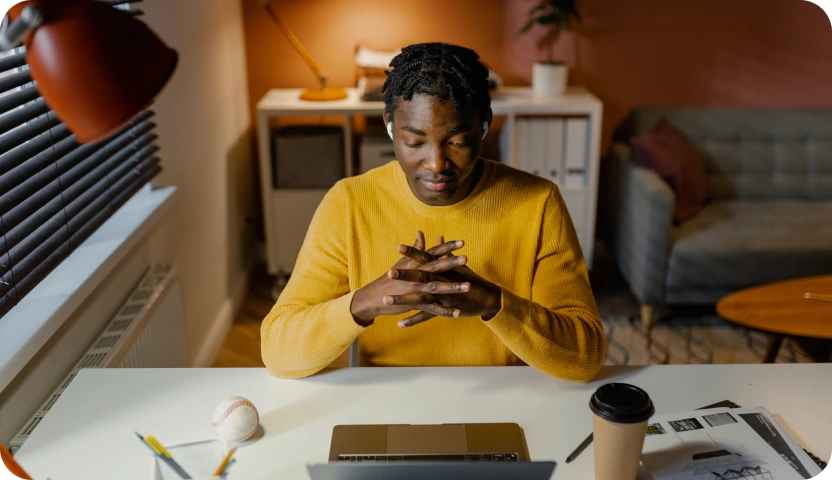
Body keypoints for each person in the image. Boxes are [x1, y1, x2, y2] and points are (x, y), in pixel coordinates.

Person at [261, 42, 605, 382]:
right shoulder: (349, 203)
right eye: (414, 142)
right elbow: (279, 353)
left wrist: (493, 303)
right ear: (390, 126)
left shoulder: (538, 202)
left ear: (484, 124)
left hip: (506, 399)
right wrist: (364, 302)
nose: (436, 163)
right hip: (387, 400)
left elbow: (584, 357)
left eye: (457, 141)